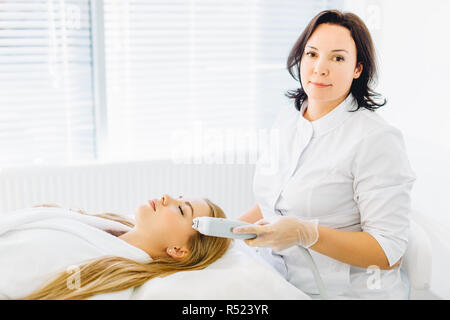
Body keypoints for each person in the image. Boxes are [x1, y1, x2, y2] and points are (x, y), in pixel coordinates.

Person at [233, 9, 416, 299]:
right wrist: (228, 234)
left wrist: (307, 233)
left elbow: (388, 252)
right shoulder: (288, 119)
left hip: (347, 293)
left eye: (338, 58)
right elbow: (272, 203)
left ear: (358, 69)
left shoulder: (376, 139)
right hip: (281, 280)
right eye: (312, 54)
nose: (320, 68)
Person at [0, 194, 231, 300]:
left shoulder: (110, 284)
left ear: (178, 250)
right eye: (179, 197)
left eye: (181, 209)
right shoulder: (109, 226)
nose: (166, 197)